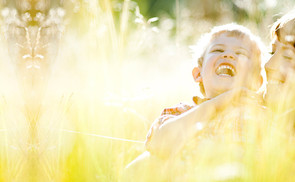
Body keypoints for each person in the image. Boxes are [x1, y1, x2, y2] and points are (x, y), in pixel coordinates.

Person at [123, 23, 266, 181]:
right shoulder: (181, 112)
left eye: (241, 53)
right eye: (218, 50)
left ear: (255, 82)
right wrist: (216, 104)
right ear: (198, 74)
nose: (228, 55)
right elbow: (158, 145)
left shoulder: (260, 113)